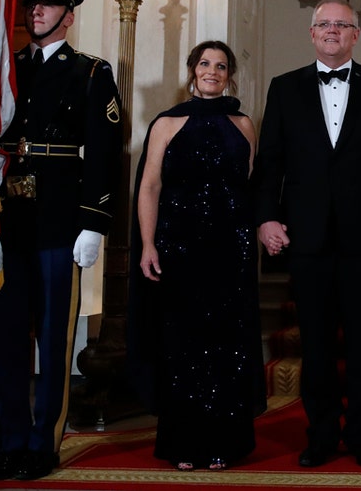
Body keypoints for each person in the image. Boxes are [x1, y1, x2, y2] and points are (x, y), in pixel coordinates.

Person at [253, 0, 361, 469]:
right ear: (311, 33)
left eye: (342, 25)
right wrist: (265, 218)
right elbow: (270, 164)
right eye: (324, 24)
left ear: (355, 35)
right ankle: (321, 434)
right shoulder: (284, 89)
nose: (332, 31)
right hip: (306, 237)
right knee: (317, 346)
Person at [0, 0, 122, 482]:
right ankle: (9, 441)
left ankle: (44, 443)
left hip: (61, 217)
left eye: (47, 4)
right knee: (5, 336)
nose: (35, 11)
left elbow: (105, 155)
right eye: (31, 4)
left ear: (69, 14)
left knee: (55, 338)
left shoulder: (89, 72)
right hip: (6, 218)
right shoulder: (3, 69)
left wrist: (95, 221)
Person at [132, 41, 265, 470]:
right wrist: (148, 244)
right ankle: (184, 443)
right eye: (205, 64)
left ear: (229, 74)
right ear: (192, 70)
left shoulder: (243, 123)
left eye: (221, 66)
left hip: (231, 247)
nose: (213, 71)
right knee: (183, 343)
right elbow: (149, 186)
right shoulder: (167, 123)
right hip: (179, 246)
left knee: (228, 343)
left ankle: (225, 442)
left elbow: (252, 184)